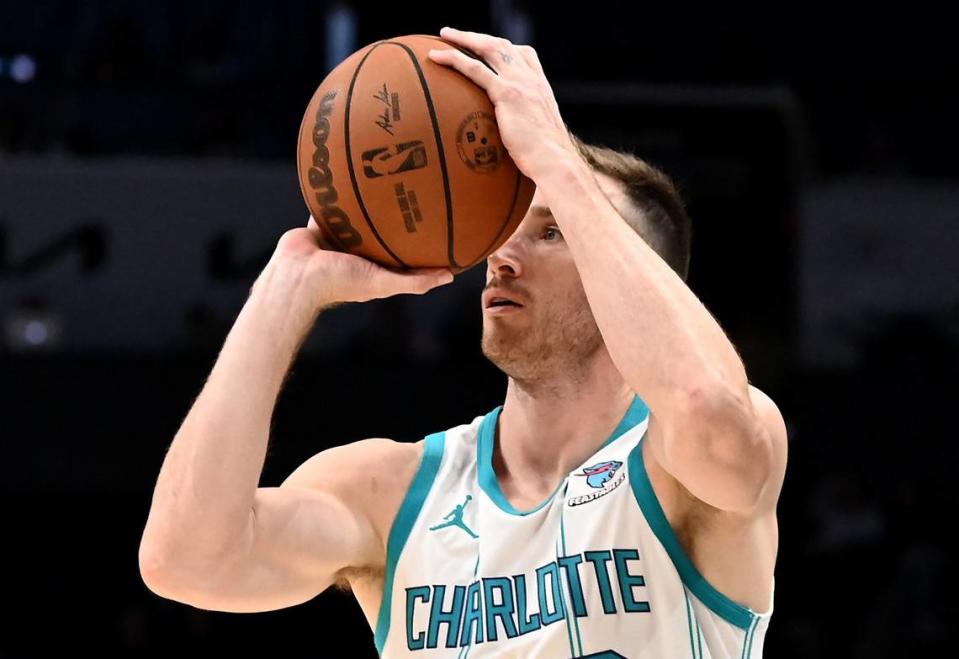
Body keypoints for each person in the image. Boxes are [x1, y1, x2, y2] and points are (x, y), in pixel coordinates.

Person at [139, 27, 787, 658]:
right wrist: (285, 289)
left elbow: (705, 405)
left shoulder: (683, 469)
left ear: (630, 273)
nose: (501, 253)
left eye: (552, 230)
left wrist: (558, 165)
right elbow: (185, 558)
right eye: (507, 227)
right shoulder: (389, 490)